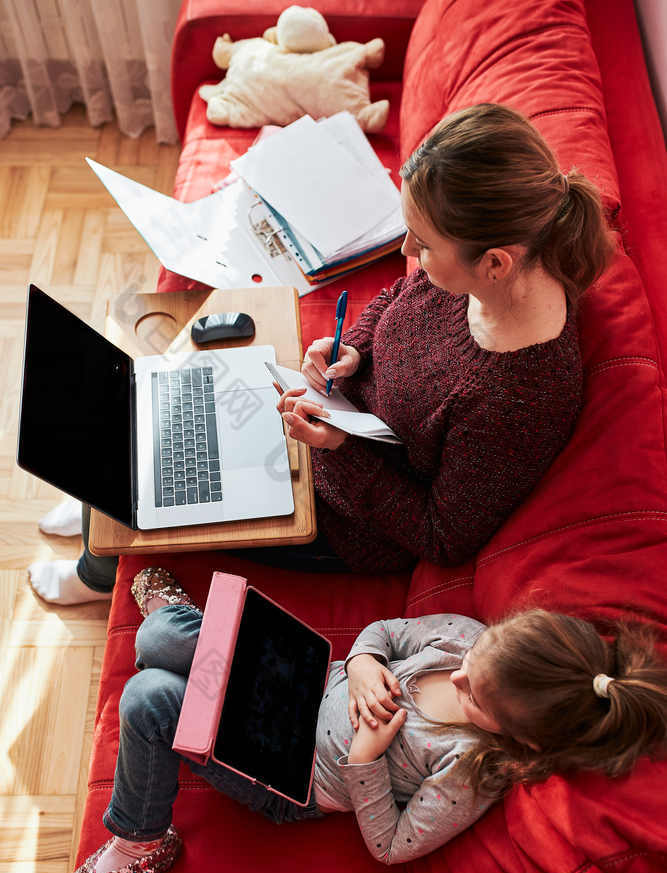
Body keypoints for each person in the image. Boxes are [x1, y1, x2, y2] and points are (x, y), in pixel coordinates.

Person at [31, 101, 615, 601]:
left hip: (342, 520)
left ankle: (97, 565)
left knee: (175, 468)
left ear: (493, 263)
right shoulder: (486, 273)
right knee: (167, 397)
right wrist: (354, 349)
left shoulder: (519, 398)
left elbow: (442, 534)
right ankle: (102, 499)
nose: (407, 250)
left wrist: (337, 449)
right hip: (325, 414)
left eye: (423, 242)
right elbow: (397, 296)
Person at [59, 567, 667, 873]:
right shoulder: (467, 640)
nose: (458, 678)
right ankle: (183, 633)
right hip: (306, 675)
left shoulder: (471, 768)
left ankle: (142, 840)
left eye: (474, 697)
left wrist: (366, 759)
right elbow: (388, 632)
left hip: (289, 773)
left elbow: (393, 847)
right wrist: (368, 659)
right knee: (162, 637)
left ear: (522, 738)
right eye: (473, 662)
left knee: (148, 696)